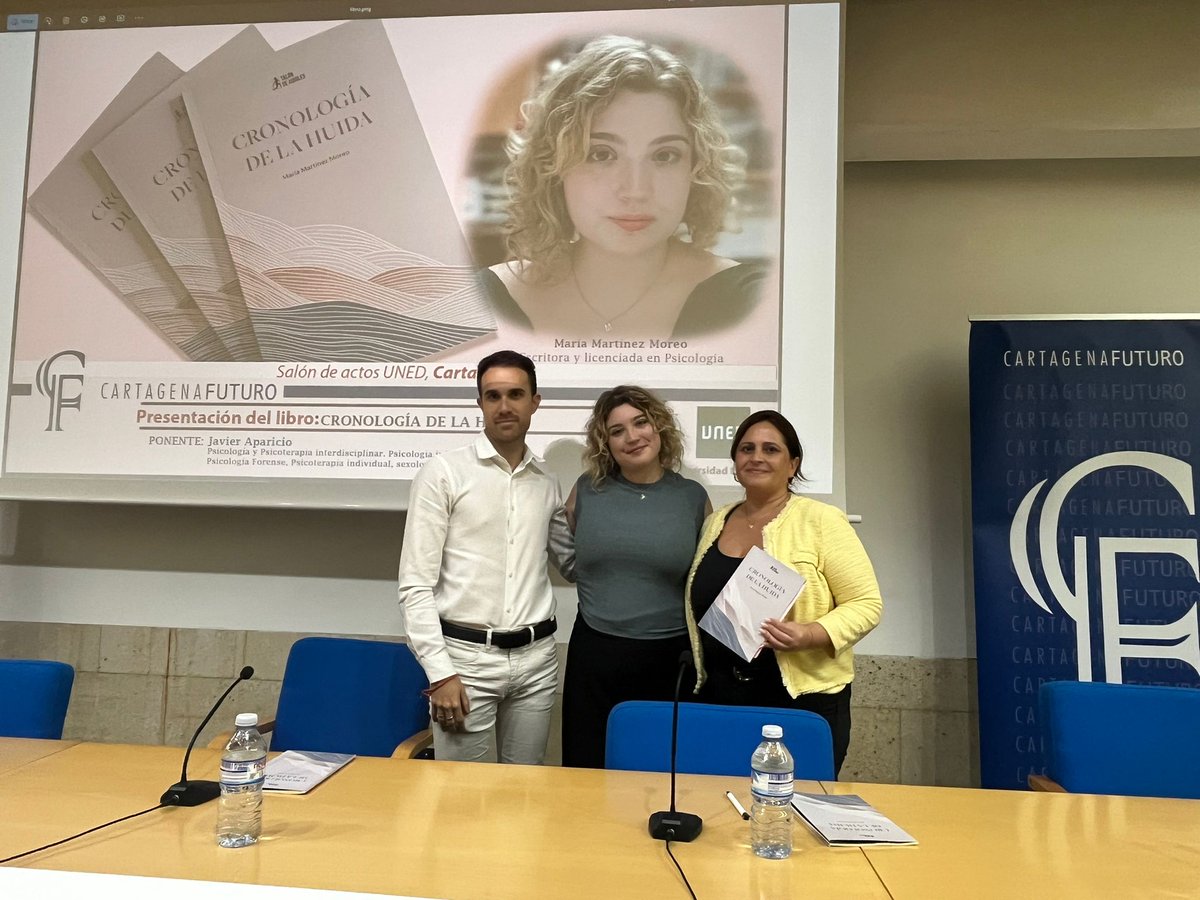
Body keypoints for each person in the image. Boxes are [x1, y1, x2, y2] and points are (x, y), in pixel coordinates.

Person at [482, 35, 765, 340]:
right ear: (553, 166)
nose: (636, 190)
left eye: (664, 156)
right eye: (601, 154)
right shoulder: (489, 299)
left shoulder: (749, 300)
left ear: (696, 169)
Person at [398, 350, 574, 764]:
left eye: (516, 394)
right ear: (480, 403)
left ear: (535, 401)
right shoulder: (443, 473)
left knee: (524, 792)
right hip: (465, 663)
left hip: (537, 661)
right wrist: (440, 673)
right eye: (492, 396)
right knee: (463, 800)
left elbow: (573, 563)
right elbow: (414, 586)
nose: (505, 406)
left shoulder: (547, 480)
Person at [684, 410, 882, 775]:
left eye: (770, 449)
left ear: (792, 464)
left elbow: (866, 604)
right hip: (723, 697)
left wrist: (811, 633)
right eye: (747, 448)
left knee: (796, 812)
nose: (756, 457)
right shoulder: (716, 522)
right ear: (734, 461)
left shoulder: (821, 520)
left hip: (802, 700)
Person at [561, 385, 710, 768]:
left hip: (669, 658)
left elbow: (706, 578)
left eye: (640, 422)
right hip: (595, 654)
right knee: (586, 769)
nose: (632, 437)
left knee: (660, 772)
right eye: (617, 430)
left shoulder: (692, 498)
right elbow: (571, 558)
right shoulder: (585, 491)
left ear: (659, 427)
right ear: (604, 443)